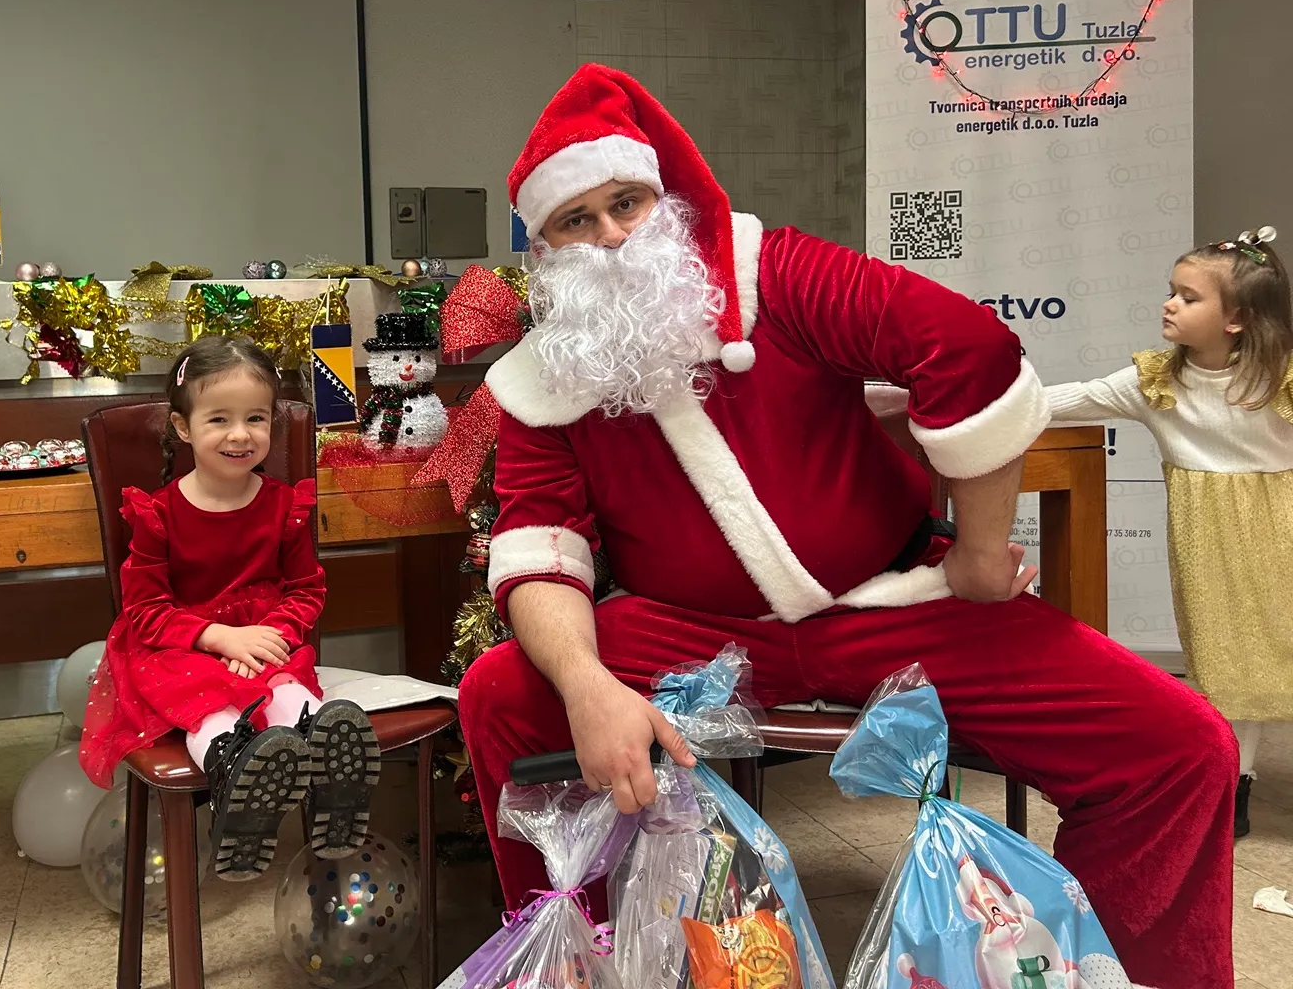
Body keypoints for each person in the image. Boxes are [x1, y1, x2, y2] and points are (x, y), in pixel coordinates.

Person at [455, 63, 1237, 989]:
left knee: (1178, 749)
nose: (614, 237)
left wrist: (979, 553)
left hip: (897, 601)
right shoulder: (543, 379)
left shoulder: (779, 273)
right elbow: (541, 547)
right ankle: (576, 961)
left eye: (627, 203)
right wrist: (587, 684)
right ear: (544, 249)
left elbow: (970, 349)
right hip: (693, 633)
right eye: (577, 221)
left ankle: (1114, 970)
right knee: (505, 694)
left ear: (667, 200)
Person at [79, 336, 381, 878]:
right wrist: (220, 639)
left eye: (256, 419)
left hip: (262, 638)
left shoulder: (285, 507)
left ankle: (331, 773)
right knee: (208, 699)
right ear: (182, 427)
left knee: (285, 687)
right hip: (180, 646)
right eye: (219, 419)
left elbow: (306, 590)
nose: (240, 435)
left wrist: (269, 638)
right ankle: (235, 778)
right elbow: (144, 609)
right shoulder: (158, 516)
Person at [1045, 227, 1292, 840]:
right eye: (1172, 291)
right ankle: (1233, 783)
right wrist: (968, 397)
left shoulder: (1282, 379)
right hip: (1210, 541)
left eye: (1189, 297)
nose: (1169, 304)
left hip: (1283, 530)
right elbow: (1066, 400)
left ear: (1237, 318)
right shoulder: (1157, 383)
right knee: (1225, 660)